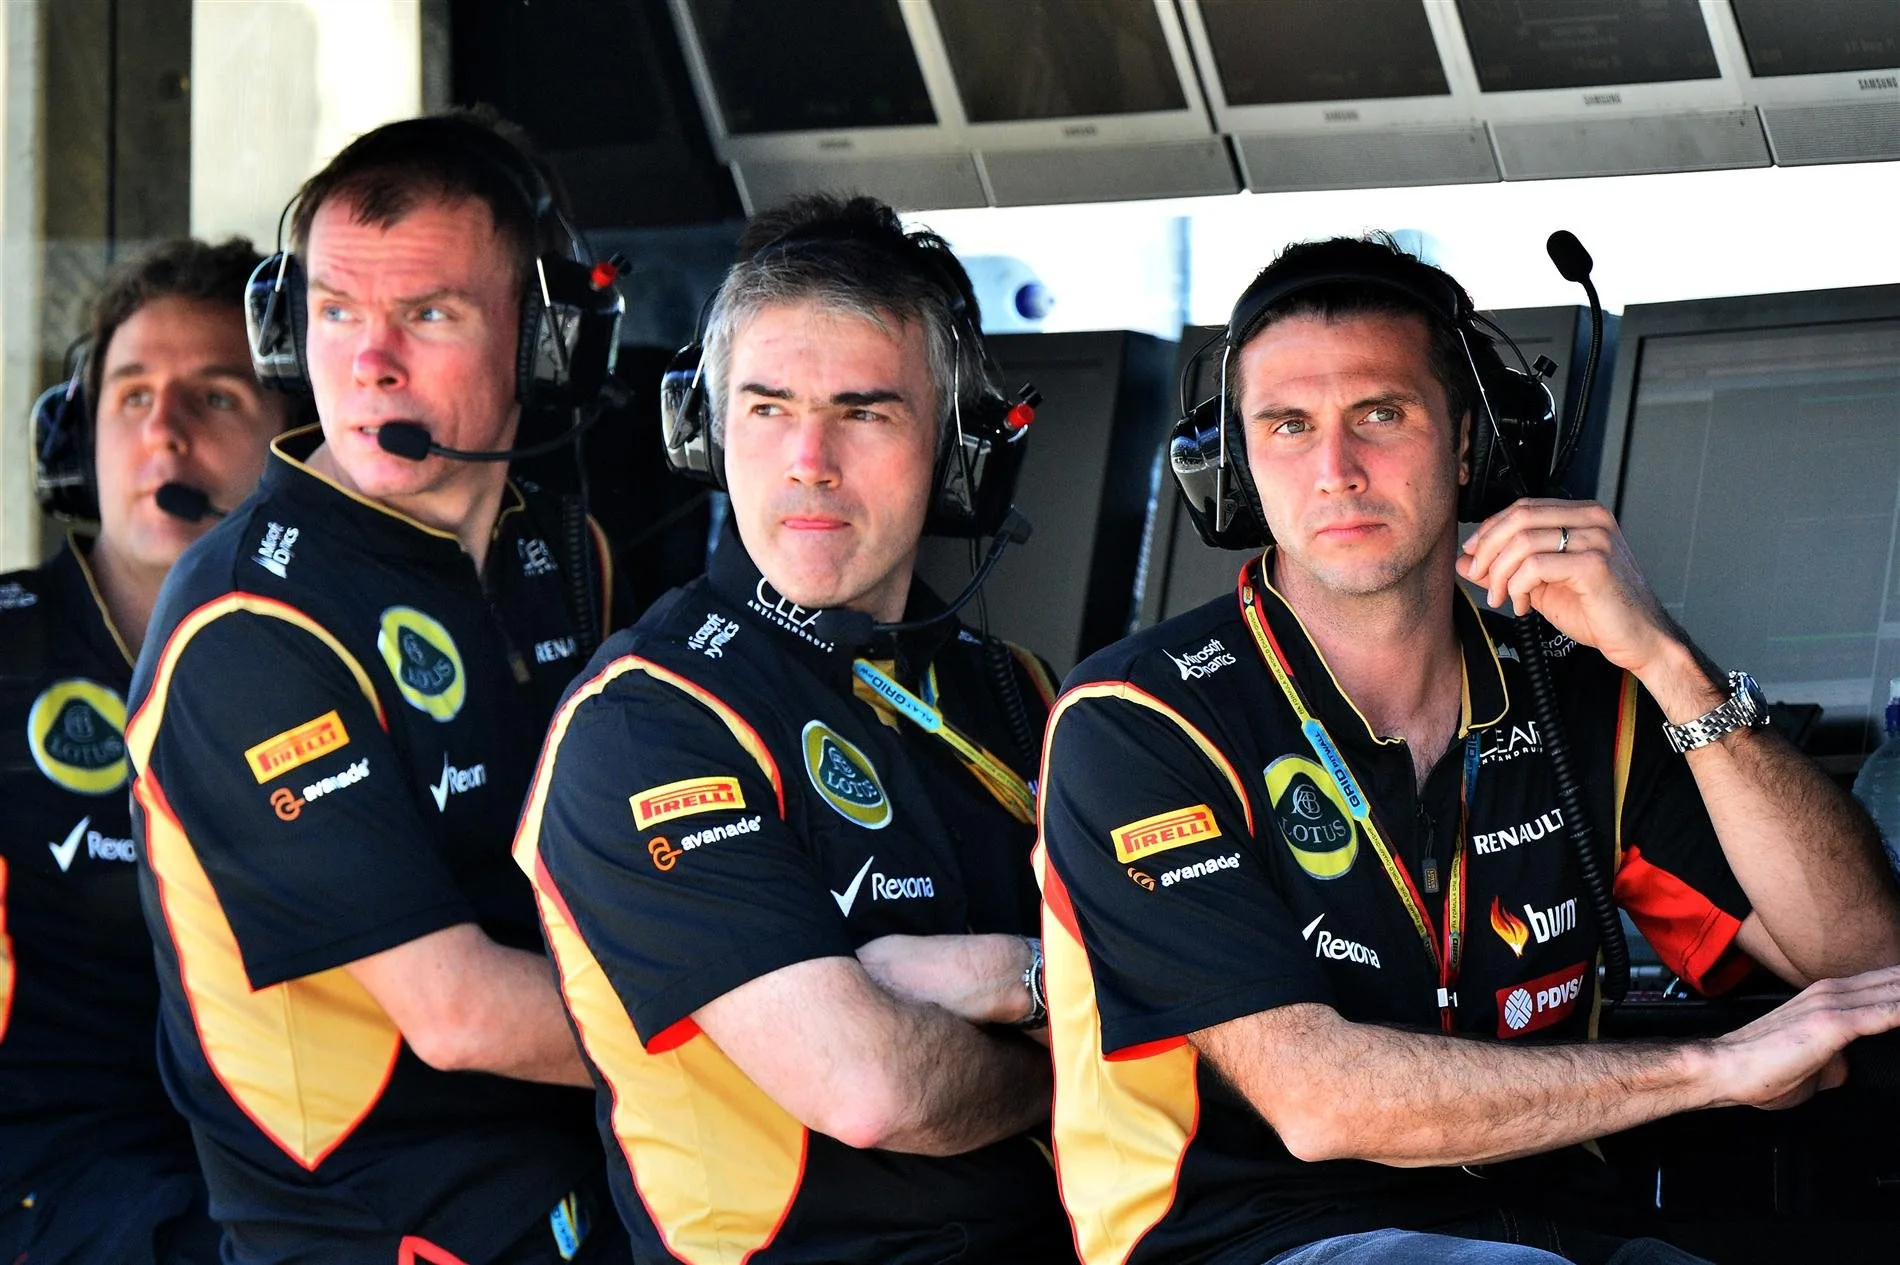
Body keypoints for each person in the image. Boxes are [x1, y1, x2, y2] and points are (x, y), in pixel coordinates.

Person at [1036, 234, 1900, 1265]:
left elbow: (1862, 964)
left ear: (1470, 445)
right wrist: (1711, 1067)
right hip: (1261, 1238)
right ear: (1237, 466)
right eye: (1288, 425)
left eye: (1380, 414)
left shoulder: (1578, 690)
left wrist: (1667, 661)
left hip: (1559, 1223)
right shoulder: (1137, 718)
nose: (1335, 470)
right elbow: (1319, 1098)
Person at [513, 193, 1075, 1263]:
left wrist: (990, 982)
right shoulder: (645, 722)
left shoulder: (1020, 691)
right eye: (768, 407)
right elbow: (870, 1087)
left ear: (960, 452)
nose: (809, 458)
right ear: (708, 429)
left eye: (865, 412)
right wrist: (1055, 1011)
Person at [126, 111, 632, 1264]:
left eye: (429, 314)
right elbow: (457, 1013)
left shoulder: (566, 550)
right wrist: (779, 1028)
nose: (369, 363)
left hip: (598, 1177)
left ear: (546, 340)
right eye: (335, 311)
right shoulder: (246, 626)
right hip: (383, 1231)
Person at [1, 236, 288, 1263]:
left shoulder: (334, 658)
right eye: (131, 397)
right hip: (55, 1181)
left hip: (292, 1161)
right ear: (75, 439)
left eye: (214, 397)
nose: (163, 432)